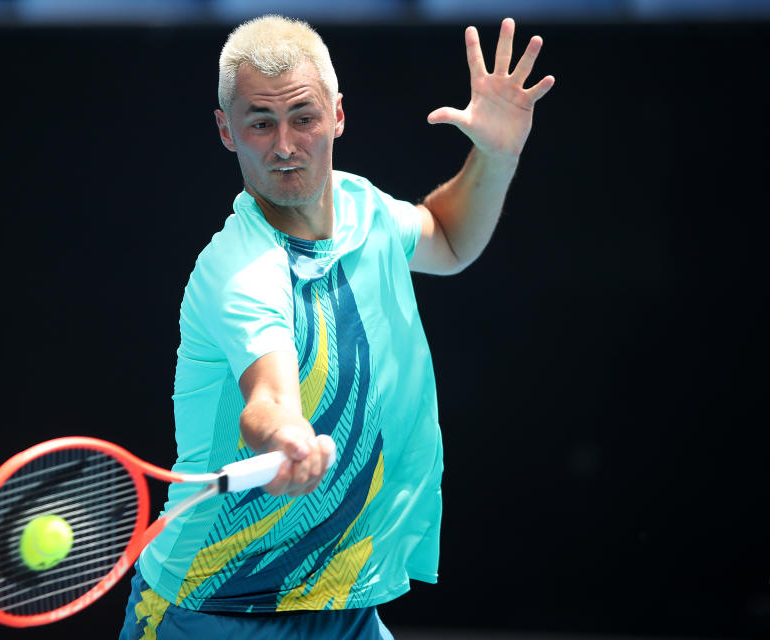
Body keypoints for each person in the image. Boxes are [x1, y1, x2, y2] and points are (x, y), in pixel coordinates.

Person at [119, 14, 554, 640]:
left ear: (338, 115)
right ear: (226, 131)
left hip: (338, 600)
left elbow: (451, 238)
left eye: (304, 117)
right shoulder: (240, 270)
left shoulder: (363, 209)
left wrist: (495, 153)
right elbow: (268, 396)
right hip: (214, 608)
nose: (286, 145)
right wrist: (286, 437)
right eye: (260, 124)